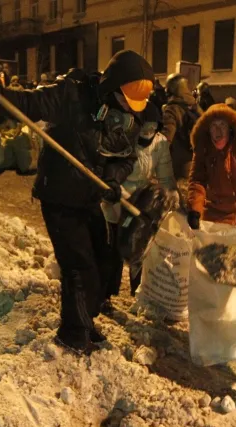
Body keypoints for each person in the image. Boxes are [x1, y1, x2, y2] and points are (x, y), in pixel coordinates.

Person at [0, 50, 154, 354]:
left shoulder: (128, 117)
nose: (129, 107)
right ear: (113, 86)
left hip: (89, 197)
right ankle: (73, 334)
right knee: (78, 266)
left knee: (102, 260)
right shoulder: (73, 95)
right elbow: (27, 104)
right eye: (126, 98)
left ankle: (84, 321)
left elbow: (126, 157)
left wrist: (113, 179)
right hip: (59, 193)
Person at [100, 101, 177, 304]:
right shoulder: (125, 137)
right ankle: (106, 294)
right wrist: (114, 189)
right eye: (145, 125)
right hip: (117, 200)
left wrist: (172, 196)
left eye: (153, 126)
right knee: (112, 249)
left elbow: (166, 176)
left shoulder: (160, 144)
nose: (148, 130)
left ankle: (138, 294)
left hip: (141, 202)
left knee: (140, 249)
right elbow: (111, 167)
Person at [186, 104, 236, 228]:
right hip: (214, 214)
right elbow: (197, 181)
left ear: (230, 128)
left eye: (222, 125)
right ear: (208, 130)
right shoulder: (203, 149)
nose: (218, 131)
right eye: (214, 126)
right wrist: (194, 209)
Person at [162, 73, 203, 208]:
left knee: (172, 198)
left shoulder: (171, 109)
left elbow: (166, 137)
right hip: (195, 158)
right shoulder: (195, 107)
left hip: (177, 161)